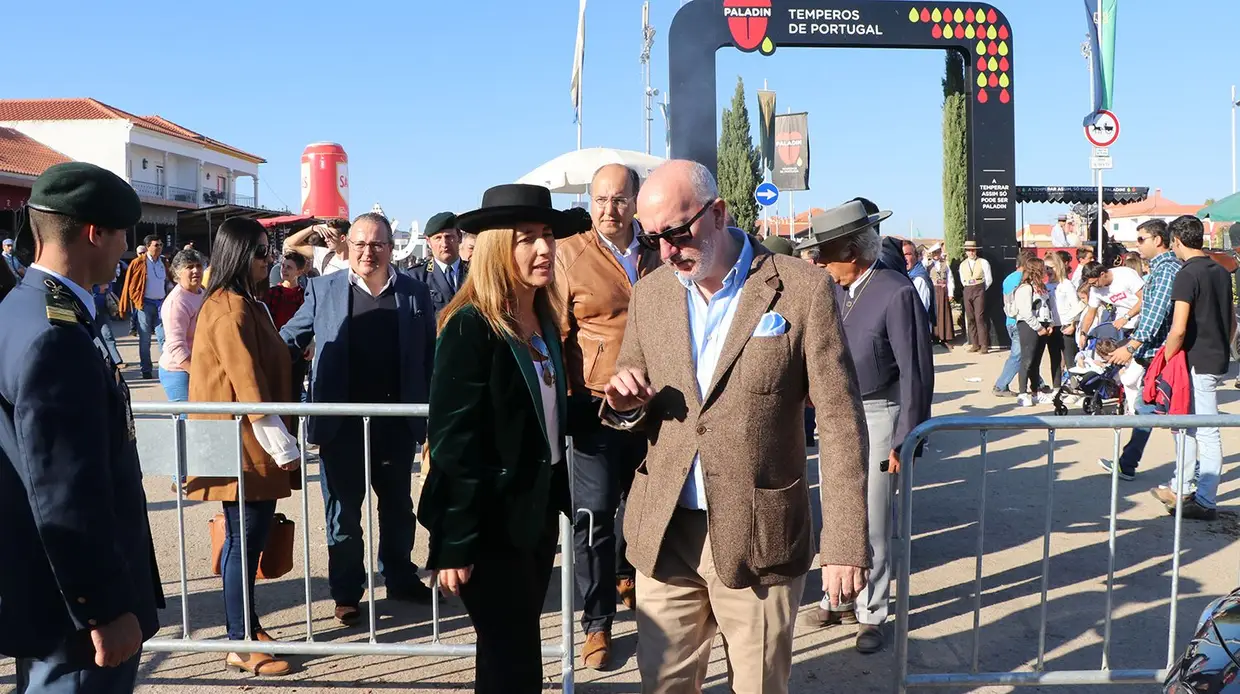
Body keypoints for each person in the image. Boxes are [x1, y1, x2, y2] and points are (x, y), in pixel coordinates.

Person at [600, 161, 870, 693]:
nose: (667, 250)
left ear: (719, 213)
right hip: (666, 531)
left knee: (759, 686)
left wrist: (844, 541)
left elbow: (839, 421)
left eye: (677, 233)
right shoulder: (651, 292)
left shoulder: (801, 289)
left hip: (760, 535)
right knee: (662, 684)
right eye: (652, 237)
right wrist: (625, 400)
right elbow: (633, 401)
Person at [0, 162, 164, 692]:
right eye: (122, 235)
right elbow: (65, 489)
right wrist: (104, 608)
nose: (126, 249)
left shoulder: (26, 308)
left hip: (53, 594)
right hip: (73, 613)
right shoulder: (54, 334)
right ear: (96, 233)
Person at [417, 184, 576, 693]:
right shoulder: (470, 326)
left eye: (547, 235)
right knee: (515, 662)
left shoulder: (544, 318)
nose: (544, 248)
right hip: (488, 528)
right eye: (525, 238)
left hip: (534, 516)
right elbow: (453, 444)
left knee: (512, 655)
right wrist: (456, 542)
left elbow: (547, 412)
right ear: (495, 249)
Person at [281, 212, 436, 623]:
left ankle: (400, 577)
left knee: (399, 508)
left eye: (378, 244)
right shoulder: (321, 289)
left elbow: (430, 357)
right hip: (341, 425)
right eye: (361, 244)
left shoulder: (416, 294)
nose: (369, 252)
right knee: (343, 514)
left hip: (396, 423)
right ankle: (347, 591)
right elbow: (287, 343)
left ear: (390, 248)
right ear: (347, 245)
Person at [795, 201, 934, 654]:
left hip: (879, 415)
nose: (817, 262)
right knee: (835, 509)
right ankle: (835, 595)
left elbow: (916, 370)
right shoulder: (831, 290)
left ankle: (871, 612)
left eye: (826, 252)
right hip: (837, 416)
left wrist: (906, 438)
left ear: (852, 251)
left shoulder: (895, 292)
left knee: (873, 520)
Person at [552, 164, 660, 668]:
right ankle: (596, 624)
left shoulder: (662, 249)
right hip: (593, 412)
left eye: (618, 200)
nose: (607, 210)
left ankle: (629, 577)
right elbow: (556, 337)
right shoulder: (569, 256)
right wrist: (566, 405)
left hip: (658, 411)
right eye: (599, 200)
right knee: (591, 518)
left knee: (642, 512)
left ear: (636, 201)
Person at [185, 218, 299, 676]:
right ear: (238, 255)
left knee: (246, 539)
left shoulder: (245, 303)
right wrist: (282, 444)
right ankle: (238, 639)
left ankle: (247, 626)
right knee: (242, 541)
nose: (268, 259)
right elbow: (248, 385)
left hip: (250, 443)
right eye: (259, 252)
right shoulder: (229, 308)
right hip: (244, 444)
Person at [1151, 215, 1234, 521]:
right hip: (1215, 357)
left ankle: (1205, 499)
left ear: (1176, 241)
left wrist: (1164, 360)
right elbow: (1232, 321)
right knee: (1187, 426)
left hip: (1194, 361)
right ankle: (1183, 487)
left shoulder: (1186, 275)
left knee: (1206, 430)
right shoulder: (1222, 272)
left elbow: (1178, 329)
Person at [1097, 220, 1182, 480]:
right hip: (1158, 356)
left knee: (1183, 421)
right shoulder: (1159, 270)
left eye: (1141, 238)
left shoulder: (1166, 270)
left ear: (1158, 239)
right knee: (1146, 407)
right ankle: (1128, 463)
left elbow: (1155, 315)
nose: (1137, 244)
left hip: (1164, 356)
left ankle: (1189, 479)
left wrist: (1131, 346)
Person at [119, 235, 172, 379]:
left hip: (161, 304)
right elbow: (130, 284)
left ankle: (166, 368)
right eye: (156, 245)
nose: (159, 247)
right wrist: (136, 300)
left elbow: (170, 279)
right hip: (145, 304)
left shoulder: (163, 262)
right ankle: (146, 370)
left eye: (161, 245)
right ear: (148, 246)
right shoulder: (138, 263)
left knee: (164, 337)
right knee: (145, 339)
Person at [157, 249, 207, 403]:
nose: (196, 271)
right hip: (179, 371)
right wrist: (197, 374)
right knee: (187, 421)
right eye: (189, 267)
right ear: (177, 273)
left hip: (199, 366)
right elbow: (176, 346)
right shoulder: (177, 302)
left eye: (199, 266)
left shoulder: (202, 292)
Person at [1012, 257, 1055, 407]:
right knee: (1027, 360)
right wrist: (1038, 327)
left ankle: (1036, 391)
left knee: (1036, 361)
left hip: (1043, 324)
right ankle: (1022, 393)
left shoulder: (1041, 287)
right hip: (1028, 326)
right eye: (1042, 268)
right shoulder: (1025, 288)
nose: (1045, 270)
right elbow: (1025, 313)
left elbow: (1048, 306)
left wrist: (1050, 323)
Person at [410, 212, 468, 318]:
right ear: (428, 242)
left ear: (459, 237)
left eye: (448, 237)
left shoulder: (474, 272)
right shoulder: (417, 277)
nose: (444, 244)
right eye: (438, 238)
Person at [1077, 260, 1144, 351]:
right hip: (1123, 325)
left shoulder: (1125, 274)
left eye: (1094, 283)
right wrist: (1083, 334)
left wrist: (1126, 317)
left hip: (1142, 318)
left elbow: (1144, 299)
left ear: (1102, 274)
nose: (1093, 286)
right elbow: (1090, 313)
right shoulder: (1095, 289)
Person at [992, 249, 1031, 397]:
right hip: (1019, 321)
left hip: (1009, 320)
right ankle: (1001, 385)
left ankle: (1038, 383)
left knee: (1025, 354)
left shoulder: (1008, 279)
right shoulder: (1023, 279)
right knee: (1018, 355)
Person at [1048, 251, 1084, 367]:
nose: (1048, 271)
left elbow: (1076, 306)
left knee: (1070, 359)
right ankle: (1057, 385)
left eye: (1051, 268)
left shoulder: (1067, 284)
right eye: (1046, 268)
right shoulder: (1046, 286)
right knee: (1055, 360)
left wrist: (1073, 325)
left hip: (1066, 325)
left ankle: (1073, 383)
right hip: (1053, 327)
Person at [283, 218, 351, 276]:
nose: (326, 239)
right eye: (325, 236)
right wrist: (312, 228)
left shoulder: (356, 261)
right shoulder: (324, 255)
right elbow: (289, 243)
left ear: (342, 238)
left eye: (330, 236)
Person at [959, 240, 993, 353]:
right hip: (968, 289)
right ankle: (974, 344)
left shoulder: (983, 262)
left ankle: (984, 345)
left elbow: (989, 279)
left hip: (979, 288)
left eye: (973, 250)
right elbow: (962, 279)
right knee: (970, 317)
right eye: (969, 250)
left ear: (976, 250)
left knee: (979, 317)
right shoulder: (962, 264)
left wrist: (982, 289)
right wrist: (968, 286)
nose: (971, 252)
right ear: (966, 252)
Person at [925, 243, 955, 347]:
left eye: (938, 252)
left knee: (945, 314)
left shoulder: (945, 264)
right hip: (933, 290)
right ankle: (935, 337)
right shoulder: (928, 265)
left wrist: (951, 293)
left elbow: (950, 279)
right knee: (935, 313)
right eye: (934, 253)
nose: (936, 255)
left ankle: (945, 338)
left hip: (943, 291)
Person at [903, 239, 933, 328]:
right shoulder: (908, 275)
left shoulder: (919, 279)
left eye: (908, 254)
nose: (905, 258)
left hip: (918, 328)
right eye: (903, 255)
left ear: (916, 256)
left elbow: (921, 309)